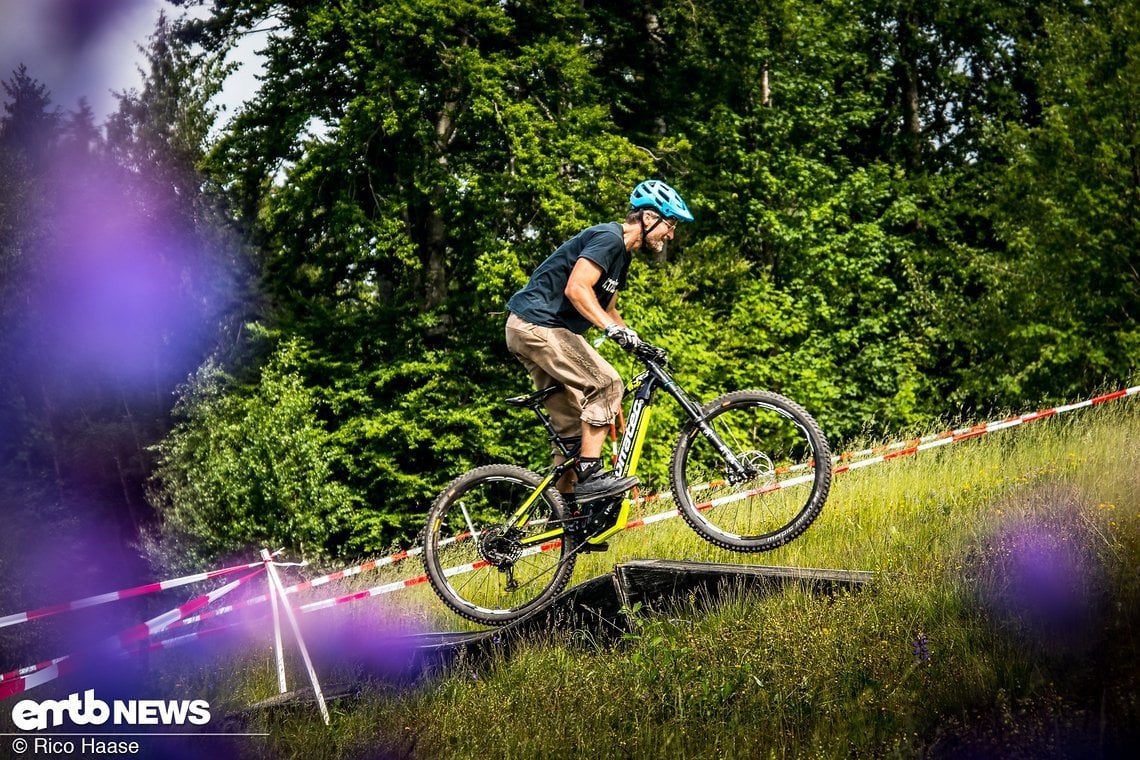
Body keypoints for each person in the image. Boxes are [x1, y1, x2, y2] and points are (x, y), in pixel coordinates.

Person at [504, 179, 694, 514]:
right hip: (539, 325)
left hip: (533, 328)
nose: (671, 234)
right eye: (671, 224)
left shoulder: (623, 256)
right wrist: (611, 330)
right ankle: (590, 476)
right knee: (606, 384)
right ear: (649, 218)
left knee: (575, 433)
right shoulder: (609, 238)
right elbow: (577, 290)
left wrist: (636, 342)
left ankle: (565, 515)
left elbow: (607, 310)